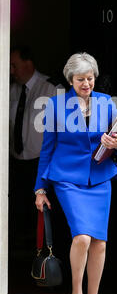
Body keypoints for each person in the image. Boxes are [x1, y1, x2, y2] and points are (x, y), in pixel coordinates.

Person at [35, 52, 117, 294]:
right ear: (70, 80)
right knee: (83, 237)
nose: (87, 83)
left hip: (100, 178)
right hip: (67, 179)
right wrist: (40, 189)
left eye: (90, 78)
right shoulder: (54, 105)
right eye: (81, 79)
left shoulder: (106, 103)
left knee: (100, 243)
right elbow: (47, 148)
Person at [9, 45, 63, 262]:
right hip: (15, 163)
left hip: (41, 164)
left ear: (28, 63)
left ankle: (45, 264)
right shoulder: (11, 90)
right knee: (15, 213)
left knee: (42, 217)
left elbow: (63, 130)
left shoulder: (51, 89)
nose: (11, 70)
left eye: (14, 65)